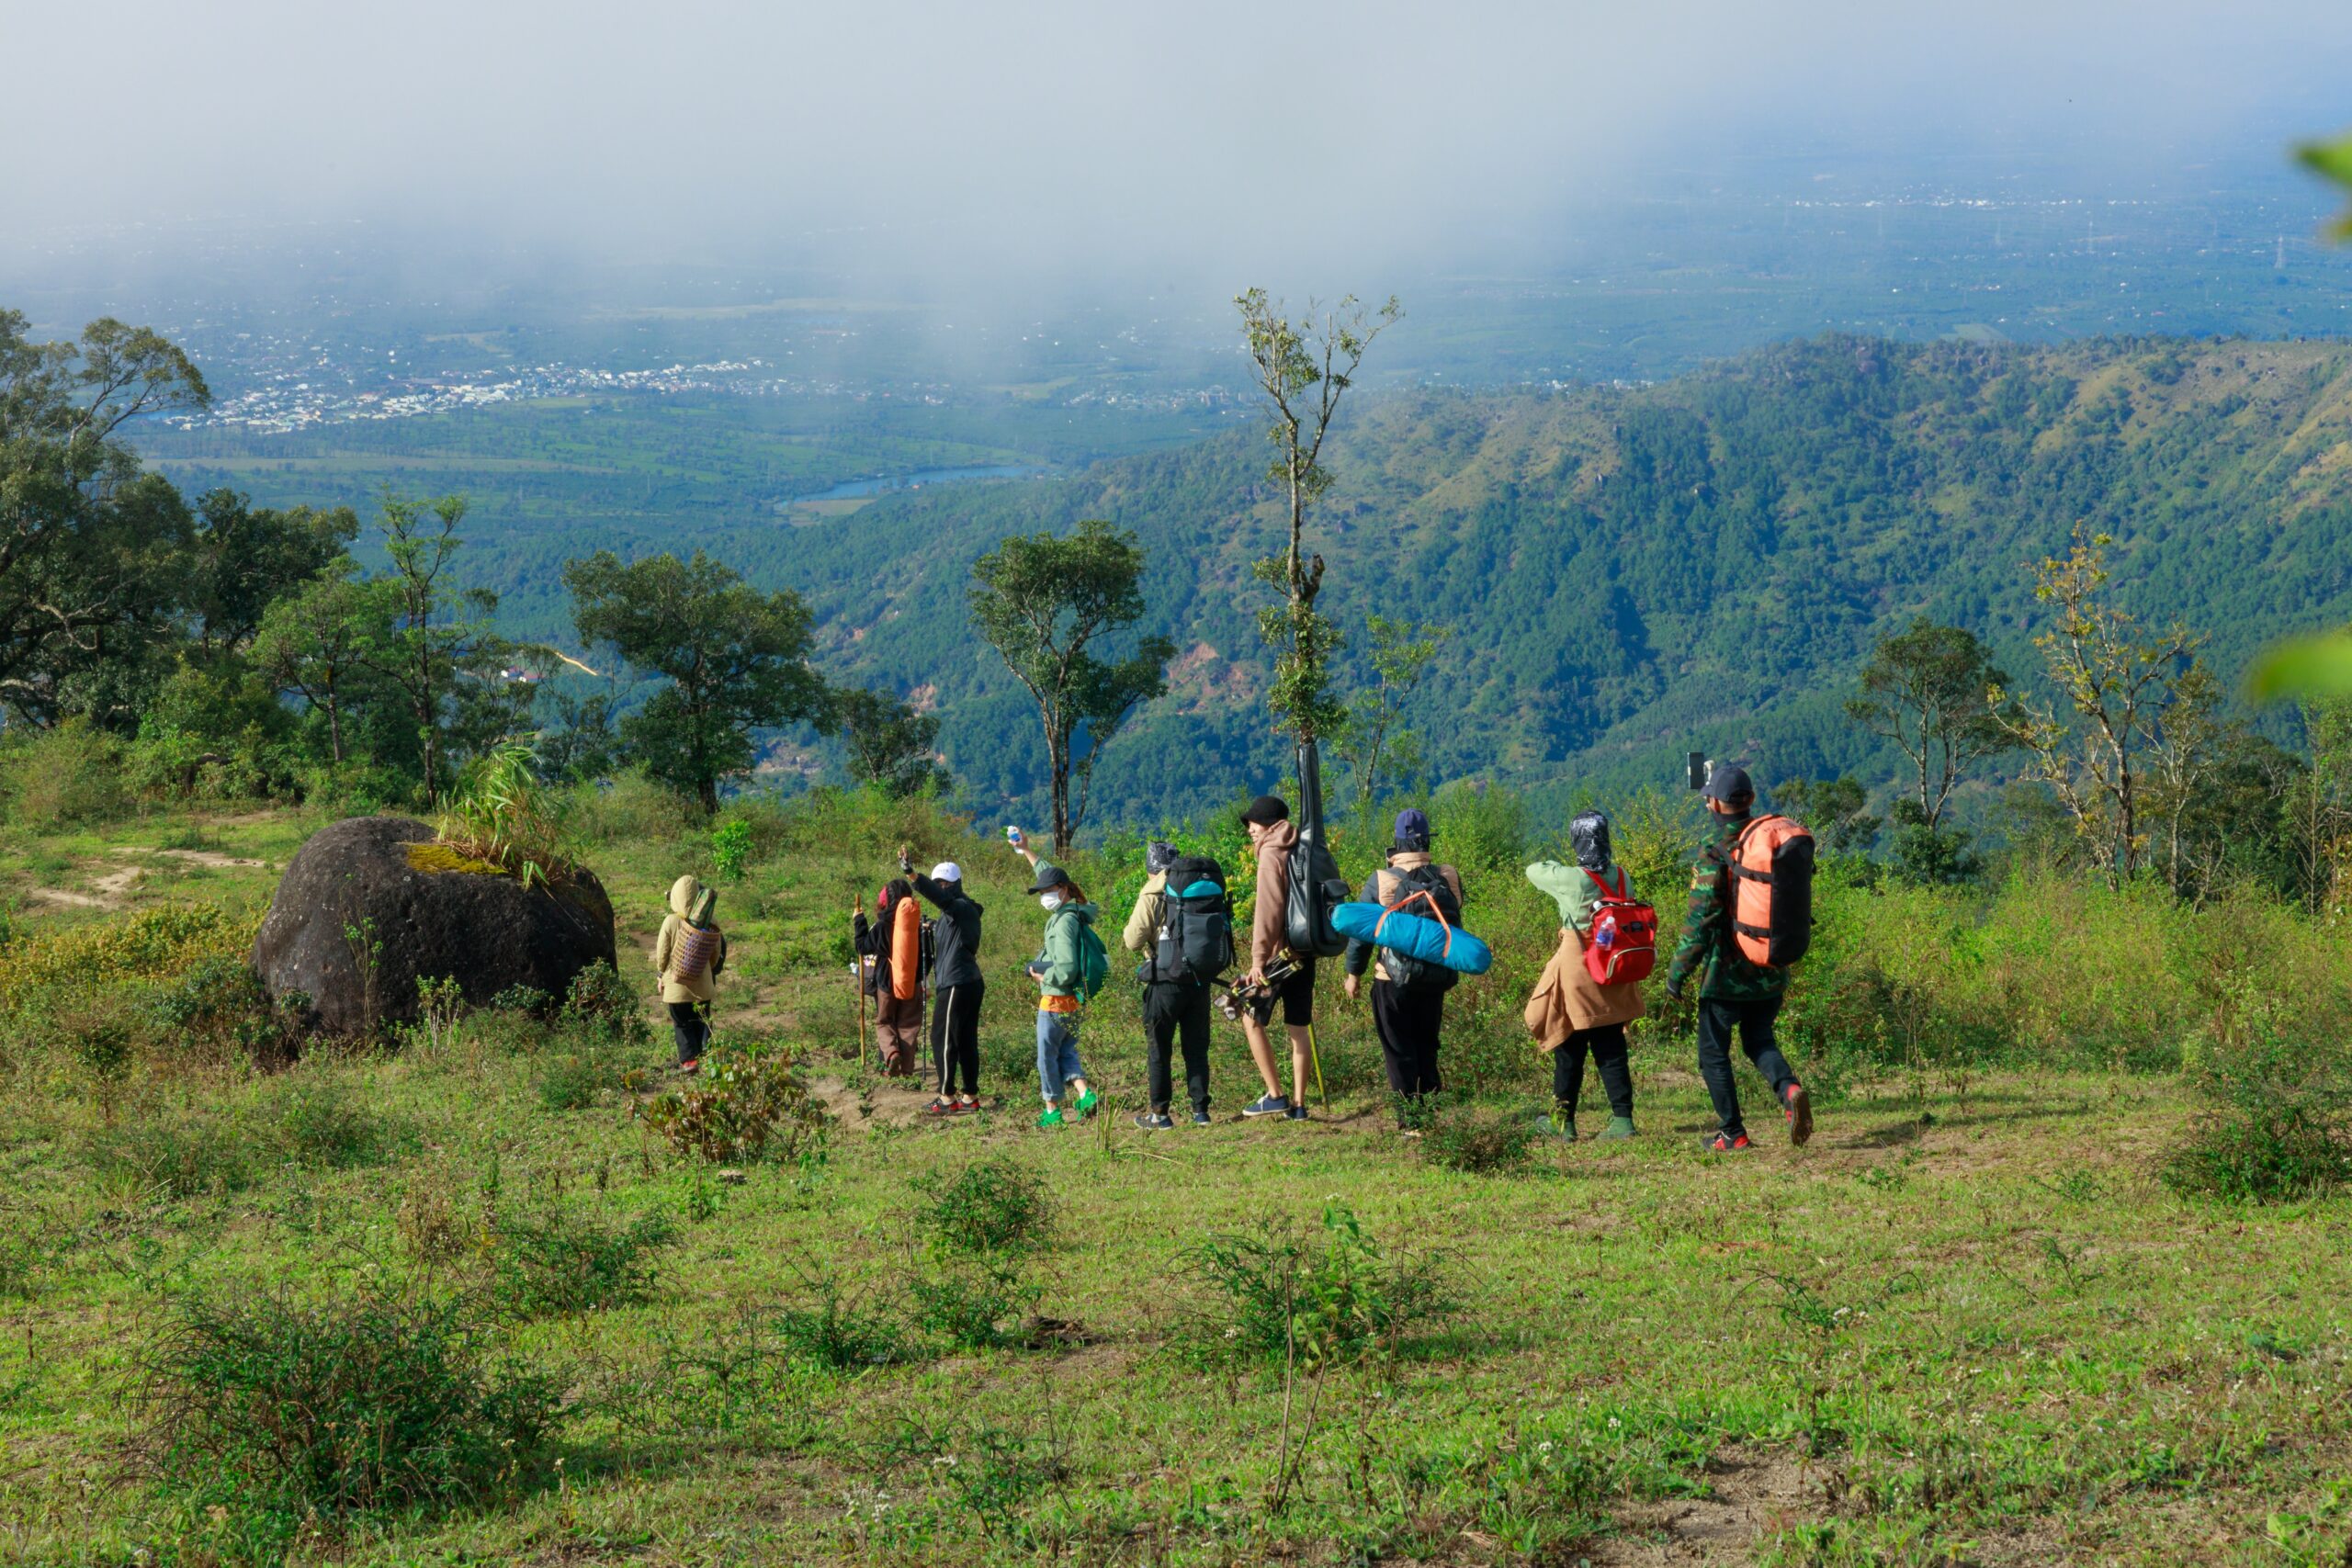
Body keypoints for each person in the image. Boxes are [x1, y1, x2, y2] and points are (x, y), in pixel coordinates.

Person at [1665, 764, 1815, 1152]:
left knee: (1713, 1053)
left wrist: (1677, 974)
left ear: (1714, 803)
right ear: (1749, 800)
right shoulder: (1766, 843)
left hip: (1724, 978)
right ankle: (1789, 1089)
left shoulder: (1715, 850)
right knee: (1759, 1040)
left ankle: (1732, 1132)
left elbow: (1700, 921)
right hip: (1770, 968)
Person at [1525, 810, 1644, 1141]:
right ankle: (1623, 1121)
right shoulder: (1622, 875)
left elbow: (1532, 871)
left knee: (1568, 1045)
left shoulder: (1571, 878)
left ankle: (1564, 1124)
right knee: (1611, 1046)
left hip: (1578, 970)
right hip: (1612, 967)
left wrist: (1558, 862)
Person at [1343, 808, 1464, 1128]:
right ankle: (1432, 1115)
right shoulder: (1447, 875)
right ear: (1427, 839)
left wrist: (1353, 973)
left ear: (1396, 843)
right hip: (1436, 976)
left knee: (1398, 1049)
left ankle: (1411, 1121)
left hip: (1391, 979)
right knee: (1427, 1044)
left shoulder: (1381, 879)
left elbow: (1363, 931)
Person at [1008, 845, 1102, 1129]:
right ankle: (1085, 1095)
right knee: (1066, 1051)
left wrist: (1042, 978)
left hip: (1055, 999)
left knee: (1046, 1056)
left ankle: (1052, 1111)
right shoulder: (1077, 911)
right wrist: (1025, 849)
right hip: (1074, 1000)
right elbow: (1046, 871)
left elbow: (1067, 967)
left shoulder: (1063, 923)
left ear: (1062, 889)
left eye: (1047, 890)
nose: (1043, 896)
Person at [1123, 839, 1215, 1129]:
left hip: (1164, 982)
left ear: (1151, 868)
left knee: (1160, 1049)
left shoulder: (1152, 892)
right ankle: (1201, 1113)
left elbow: (1132, 940)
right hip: (1199, 979)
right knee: (1197, 1048)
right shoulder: (1196, 886)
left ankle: (1160, 1115)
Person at [1238, 795, 1313, 1121]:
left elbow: (1268, 910)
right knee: (1299, 1027)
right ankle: (1299, 1106)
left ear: (1267, 823)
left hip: (1278, 957)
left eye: (1252, 823)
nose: (1250, 830)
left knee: (1248, 1015)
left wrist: (1258, 960)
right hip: (1305, 951)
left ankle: (1275, 1095)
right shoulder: (1301, 845)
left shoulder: (1271, 853)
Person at [904, 845, 985, 1116]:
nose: (941, 887)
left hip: (957, 983)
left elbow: (944, 902)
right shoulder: (957, 913)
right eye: (938, 882)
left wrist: (913, 875)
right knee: (964, 1040)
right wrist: (934, 928)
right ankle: (970, 1096)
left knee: (942, 1039)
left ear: (956, 885)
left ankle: (947, 1096)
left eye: (945, 883)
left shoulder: (959, 906)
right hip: (967, 981)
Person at [652, 874, 727, 1072]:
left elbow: (662, 952)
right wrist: (707, 970)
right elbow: (716, 951)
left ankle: (689, 1061)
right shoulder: (710, 920)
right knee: (703, 1019)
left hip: (677, 986)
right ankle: (707, 1056)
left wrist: (661, 973)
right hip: (702, 984)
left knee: (682, 1022)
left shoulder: (670, 921)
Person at [852, 879, 925, 1077]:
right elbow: (929, 956)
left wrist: (859, 921)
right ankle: (908, 1071)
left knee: (884, 1022)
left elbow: (862, 947)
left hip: (886, 981)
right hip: (913, 981)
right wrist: (920, 977)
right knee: (908, 1025)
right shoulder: (918, 925)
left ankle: (891, 1053)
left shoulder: (883, 925)